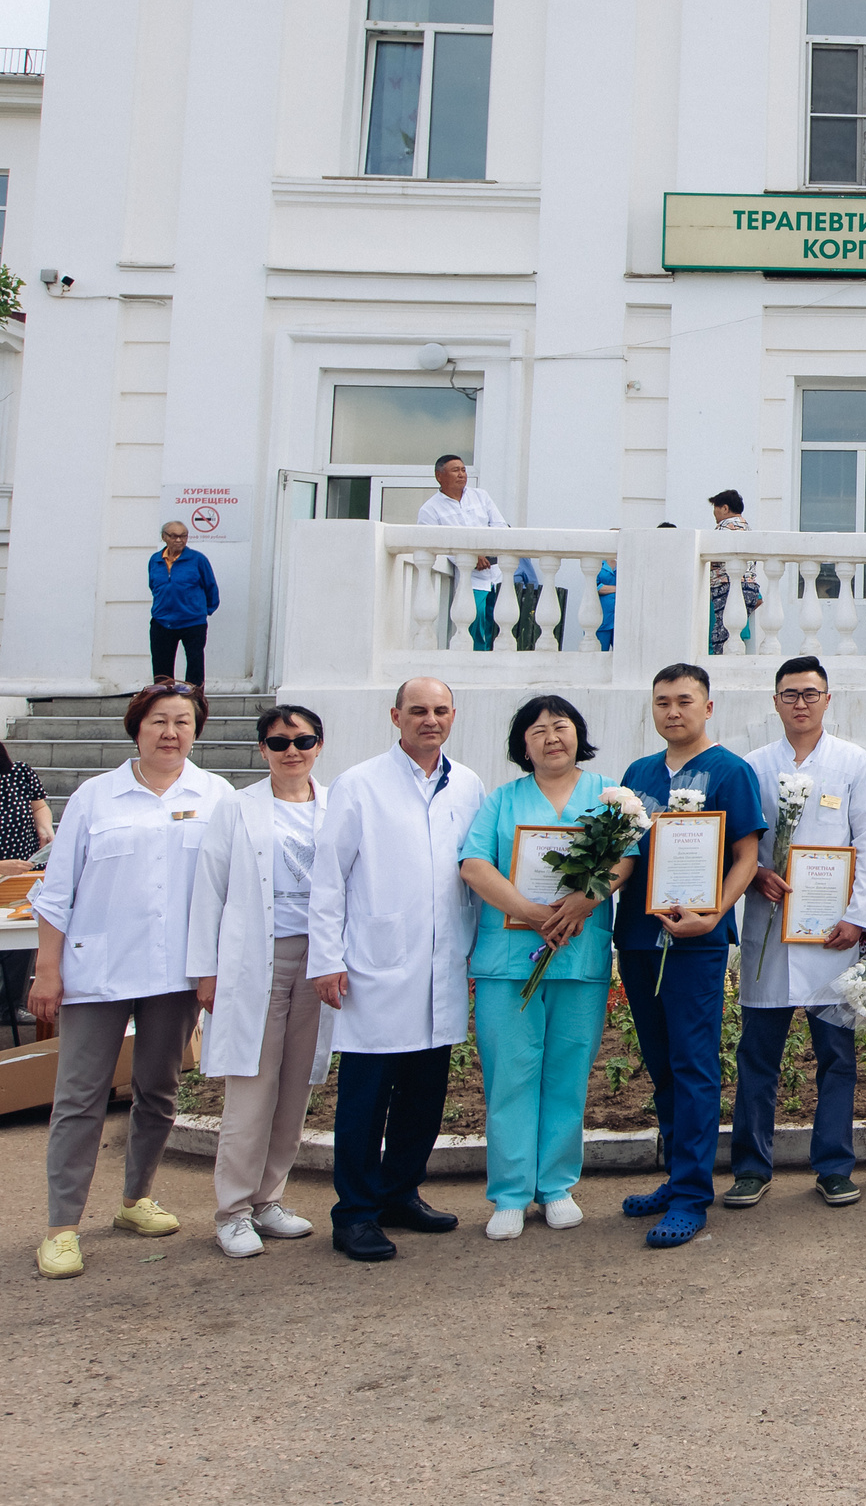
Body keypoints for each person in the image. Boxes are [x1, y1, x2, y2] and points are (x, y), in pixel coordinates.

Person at [26, 683, 232, 1280]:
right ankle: (61, 1227)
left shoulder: (216, 795)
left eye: (183, 722)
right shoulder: (96, 796)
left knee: (159, 1090)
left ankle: (136, 1199)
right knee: (79, 1097)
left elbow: (226, 890)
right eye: (159, 721)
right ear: (136, 728)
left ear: (196, 731)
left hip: (176, 973)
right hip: (97, 970)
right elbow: (57, 891)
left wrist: (214, 970)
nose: (171, 733)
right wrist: (47, 970)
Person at [307, 678, 486, 1261]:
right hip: (374, 966)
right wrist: (326, 959)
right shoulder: (359, 784)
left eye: (440, 710)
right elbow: (329, 878)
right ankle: (355, 1213)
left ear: (453, 715)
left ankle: (399, 1192)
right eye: (418, 710)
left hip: (441, 965)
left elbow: (476, 871)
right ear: (395, 716)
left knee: (424, 1094)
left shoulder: (468, 784)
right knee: (366, 1100)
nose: (429, 720)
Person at [458, 695, 635, 1239]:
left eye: (561, 726)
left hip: (578, 959)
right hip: (510, 960)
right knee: (510, 1076)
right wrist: (529, 912)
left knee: (567, 1074)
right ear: (523, 745)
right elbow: (473, 864)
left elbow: (627, 857)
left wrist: (587, 899)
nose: (551, 737)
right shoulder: (502, 799)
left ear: (578, 734)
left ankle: (556, 1186)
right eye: (537, 731)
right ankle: (510, 1193)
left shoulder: (609, 796)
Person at [613, 664, 765, 1245]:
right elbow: (623, 850)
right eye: (662, 702)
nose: (672, 711)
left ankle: (692, 1197)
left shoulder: (731, 771)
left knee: (693, 1065)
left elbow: (747, 858)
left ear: (708, 706)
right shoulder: (638, 774)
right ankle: (677, 1177)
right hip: (639, 937)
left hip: (696, 942)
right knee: (660, 1062)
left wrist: (715, 914)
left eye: (684, 700)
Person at [733, 658, 866, 1209]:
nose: (800, 703)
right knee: (757, 1056)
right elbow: (740, 843)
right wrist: (756, 874)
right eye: (790, 694)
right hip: (770, 929)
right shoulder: (752, 766)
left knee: (836, 1056)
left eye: (810, 694)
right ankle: (751, 1167)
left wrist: (857, 916)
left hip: (831, 934)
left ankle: (834, 1166)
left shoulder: (853, 762)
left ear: (827, 699)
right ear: (775, 701)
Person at [187, 704, 333, 1259]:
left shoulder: (337, 806)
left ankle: (269, 1200)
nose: (292, 751)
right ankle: (233, 1211)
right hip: (255, 960)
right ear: (262, 749)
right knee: (251, 1087)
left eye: (303, 740)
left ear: (319, 745)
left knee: (296, 1085)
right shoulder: (237, 807)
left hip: (318, 961)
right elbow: (209, 890)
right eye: (278, 743)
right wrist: (206, 972)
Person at [414, 454, 508, 652]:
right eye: (455, 470)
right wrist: (470, 556)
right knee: (474, 622)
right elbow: (434, 544)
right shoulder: (430, 509)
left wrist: (483, 551)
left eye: (463, 470)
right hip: (470, 577)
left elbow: (500, 526)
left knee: (501, 626)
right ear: (439, 476)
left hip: (497, 573)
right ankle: (476, 663)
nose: (461, 474)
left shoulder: (480, 496)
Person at [0, 735, 54, 1030]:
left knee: (23, 939)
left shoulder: (19, 772)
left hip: (25, 870)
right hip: (4, 869)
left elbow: (39, 806)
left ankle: (12, 1004)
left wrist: (45, 826)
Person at [146, 519, 220, 687]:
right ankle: (163, 698)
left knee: (195, 666)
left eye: (183, 536)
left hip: (193, 622)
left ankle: (194, 699)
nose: (179, 540)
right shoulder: (155, 560)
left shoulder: (198, 560)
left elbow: (211, 587)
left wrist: (202, 611)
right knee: (161, 668)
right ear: (164, 537)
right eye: (174, 536)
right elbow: (154, 586)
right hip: (162, 622)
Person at [707, 489, 761, 655]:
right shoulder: (748, 529)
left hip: (726, 587)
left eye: (715, 508)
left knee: (722, 637)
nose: (714, 514)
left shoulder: (724, 528)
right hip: (750, 588)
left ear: (724, 508)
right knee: (734, 633)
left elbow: (713, 558)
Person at [595, 554, 618, 652]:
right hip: (602, 618)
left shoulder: (622, 565)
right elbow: (596, 587)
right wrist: (618, 588)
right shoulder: (598, 564)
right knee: (599, 653)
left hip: (618, 619)